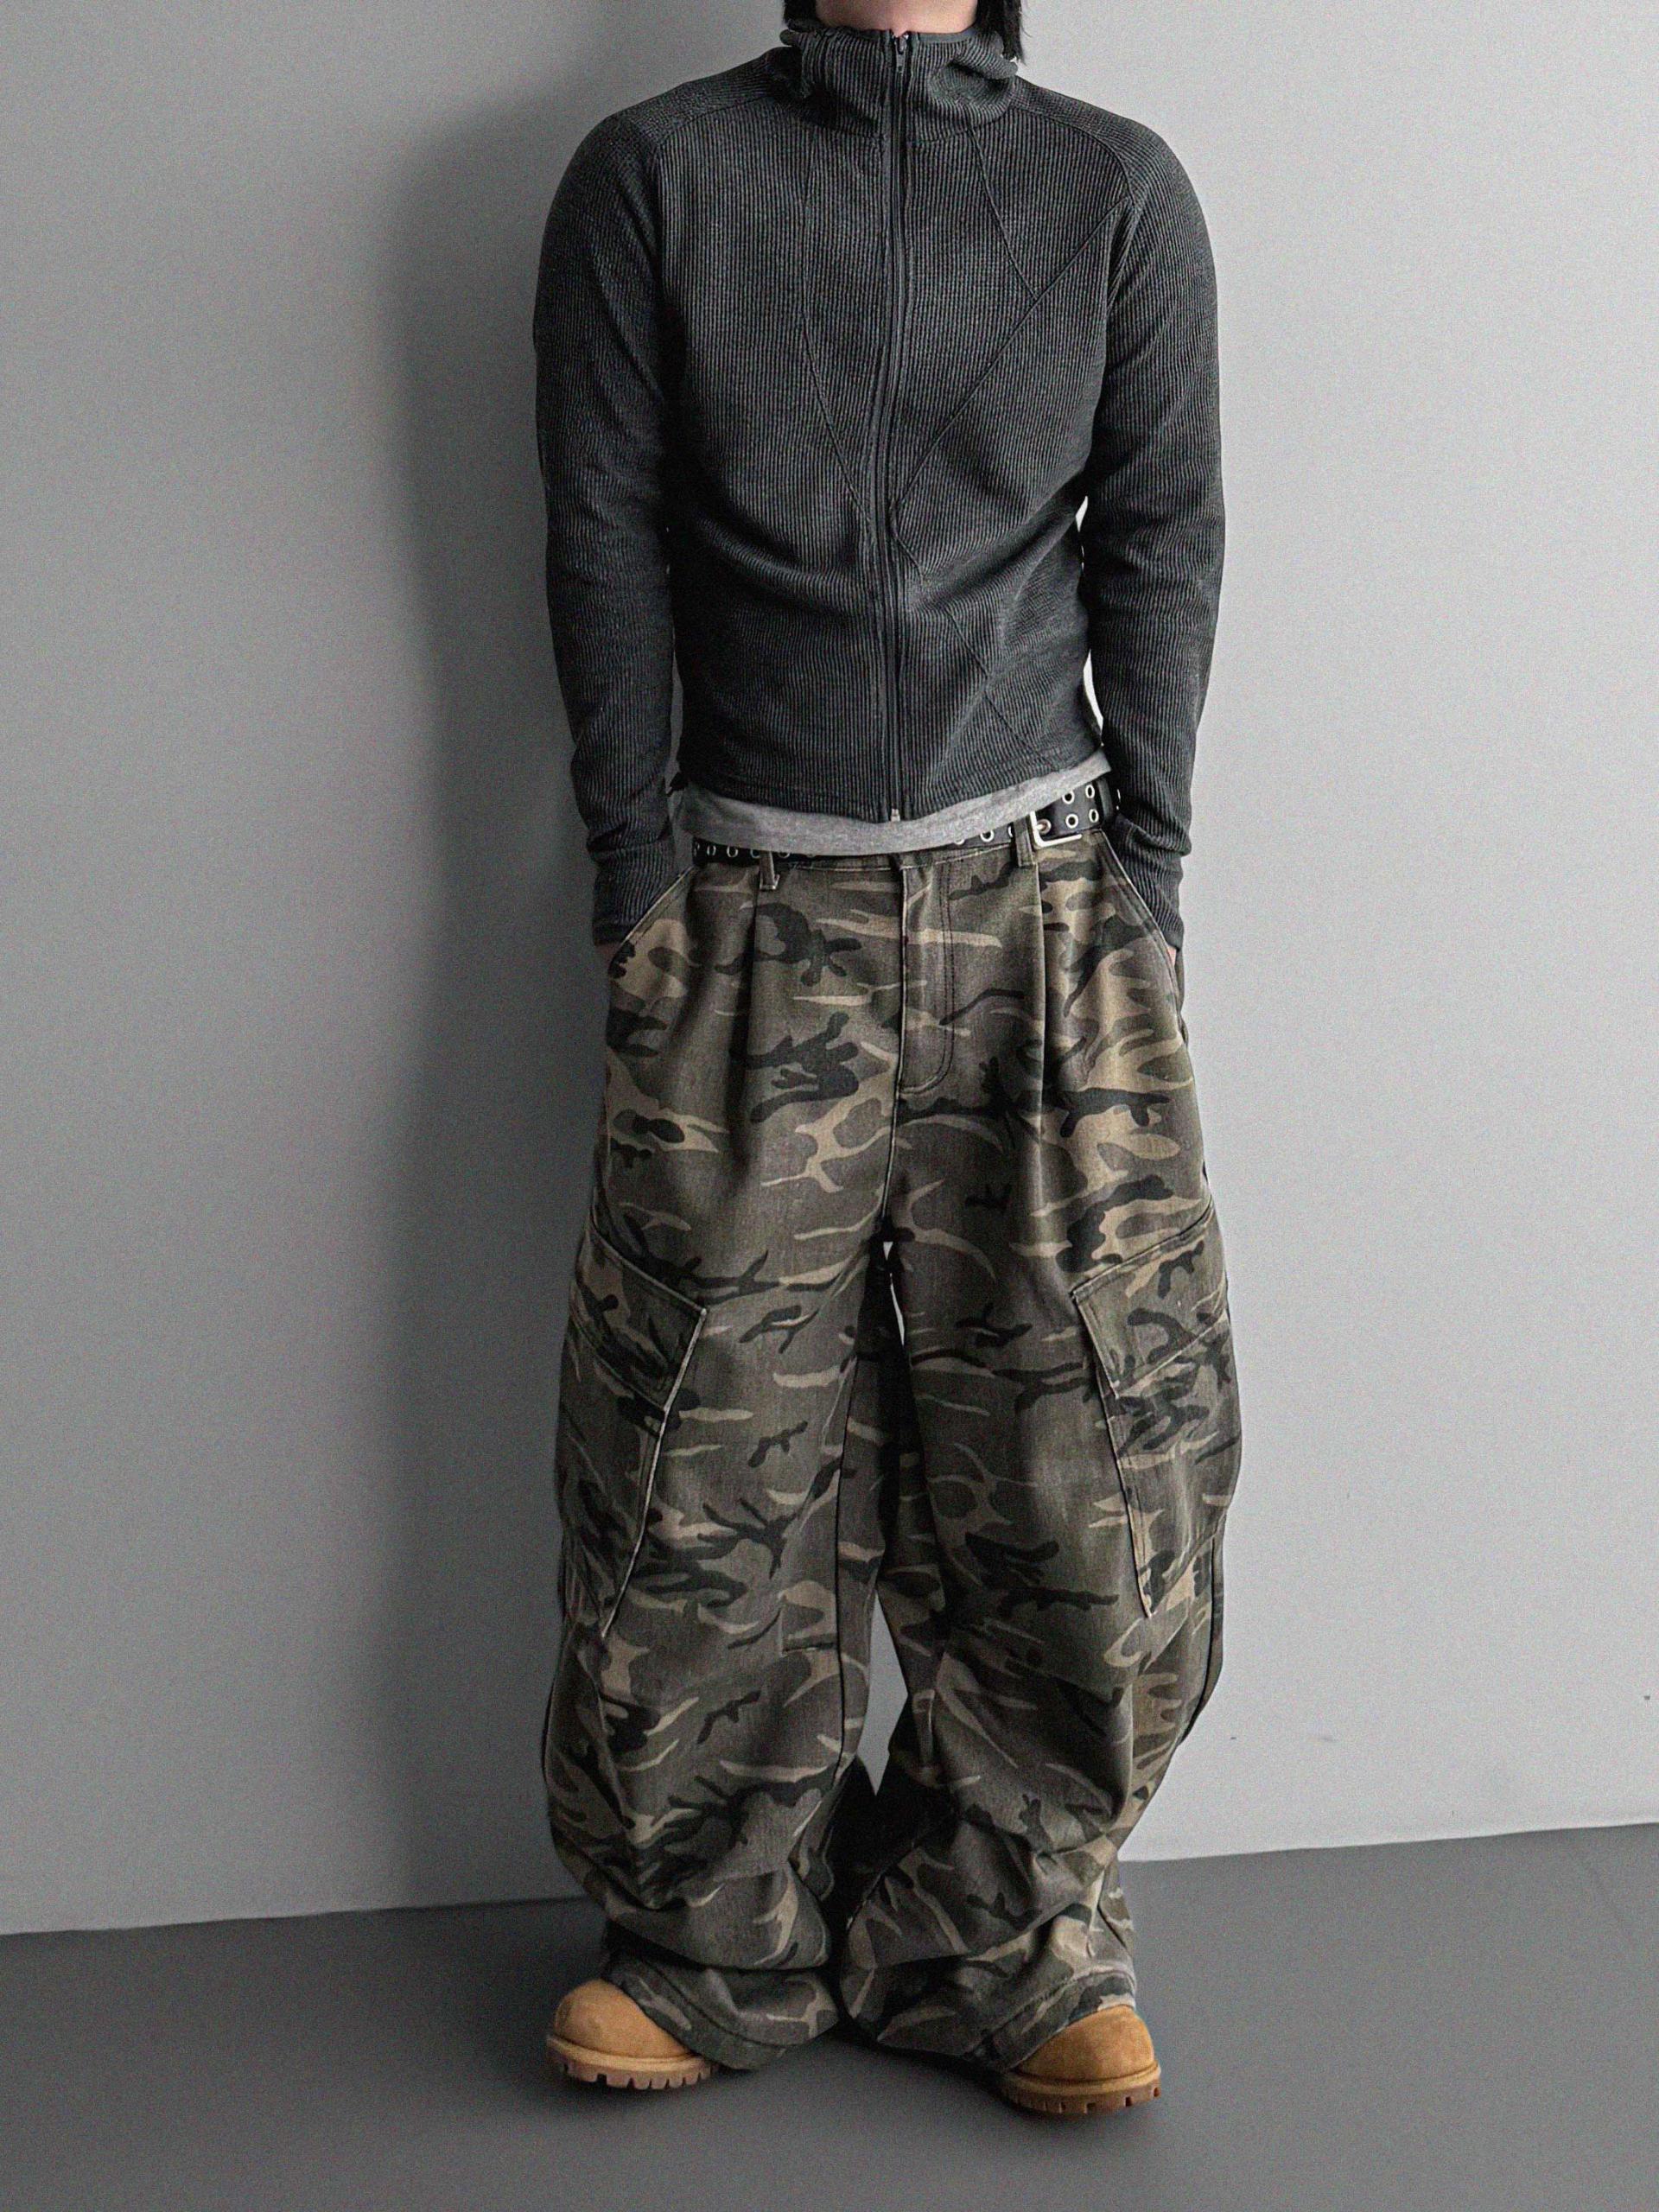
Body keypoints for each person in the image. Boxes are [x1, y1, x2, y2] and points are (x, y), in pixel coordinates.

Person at [531, 0, 1242, 2119]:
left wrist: (1147, 874)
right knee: (696, 1444)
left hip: (1049, 911)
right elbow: (602, 532)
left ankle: (1008, 1932)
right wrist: (638, 875)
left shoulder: (1112, 189)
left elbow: (1165, 533)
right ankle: (709, 1933)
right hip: (749, 910)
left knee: (1094, 1444)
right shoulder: (658, 178)